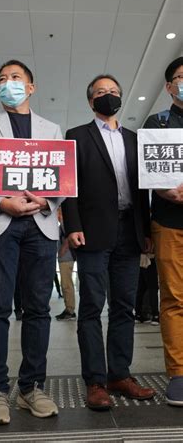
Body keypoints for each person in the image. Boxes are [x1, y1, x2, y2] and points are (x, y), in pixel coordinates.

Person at [0, 60, 62, 426]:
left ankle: (31, 388)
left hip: (40, 224)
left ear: (31, 87)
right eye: (2, 79)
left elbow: (63, 177)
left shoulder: (51, 129)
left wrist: (47, 201)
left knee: (38, 309)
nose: (8, 84)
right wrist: (1, 202)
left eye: (15, 78)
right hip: (0, 223)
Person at [62, 74, 155, 411]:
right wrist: (72, 225)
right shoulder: (77, 136)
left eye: (114, 92)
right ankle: (96, 381)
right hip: (92, 232)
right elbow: (69, 185)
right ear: (91, 101)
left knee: (123, 307)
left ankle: (120, 374)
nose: (108, 96)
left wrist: (146, 231)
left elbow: (143, 187)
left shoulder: (134, 139)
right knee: (90, 307)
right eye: (101, 92)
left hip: (129, 232)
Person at [142, 56, 183, 405]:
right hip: (170, 222)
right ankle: (179, 373)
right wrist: (164, 189)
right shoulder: (157, 122)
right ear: (169, 86)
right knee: (173, 299)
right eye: (180, 78)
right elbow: (149, 171)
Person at [55, 207, 76, 320]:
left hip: (66, 258)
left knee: (66, 284)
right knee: (65, 284)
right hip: (65, 258)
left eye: (58, 212)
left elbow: (68, 238)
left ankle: (70, 310)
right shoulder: (62, 224)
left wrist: (62, 251)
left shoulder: (64, 224)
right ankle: (69, 308)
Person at [135, 254, 159, 325]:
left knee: (141, 289)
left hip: (140, 259)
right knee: (152, 289)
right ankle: (155, 315)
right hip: (150, 258)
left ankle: (138, 315)